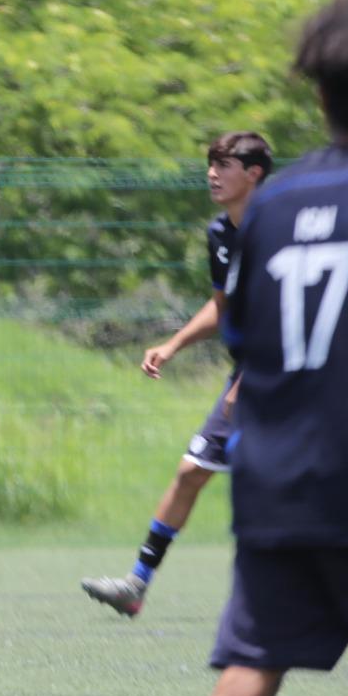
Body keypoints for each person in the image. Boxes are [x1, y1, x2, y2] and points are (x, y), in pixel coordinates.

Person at [178, 0, 348, 696]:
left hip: (273, 482)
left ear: (318, 97)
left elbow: (243, 332)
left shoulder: (273, 203)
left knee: (246, 679)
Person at [82, 132, 272, 617]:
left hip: (295, 376)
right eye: (211, 163)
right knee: (192, 472)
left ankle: (345, 598)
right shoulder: (219, 234)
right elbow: (223, 307)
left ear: (254, 174)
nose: (212, 173)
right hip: (251, 374)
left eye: (224, 165)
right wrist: (172, 346)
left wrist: (251, 377)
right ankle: (136, 584)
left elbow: (292, 313)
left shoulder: (279, 231)